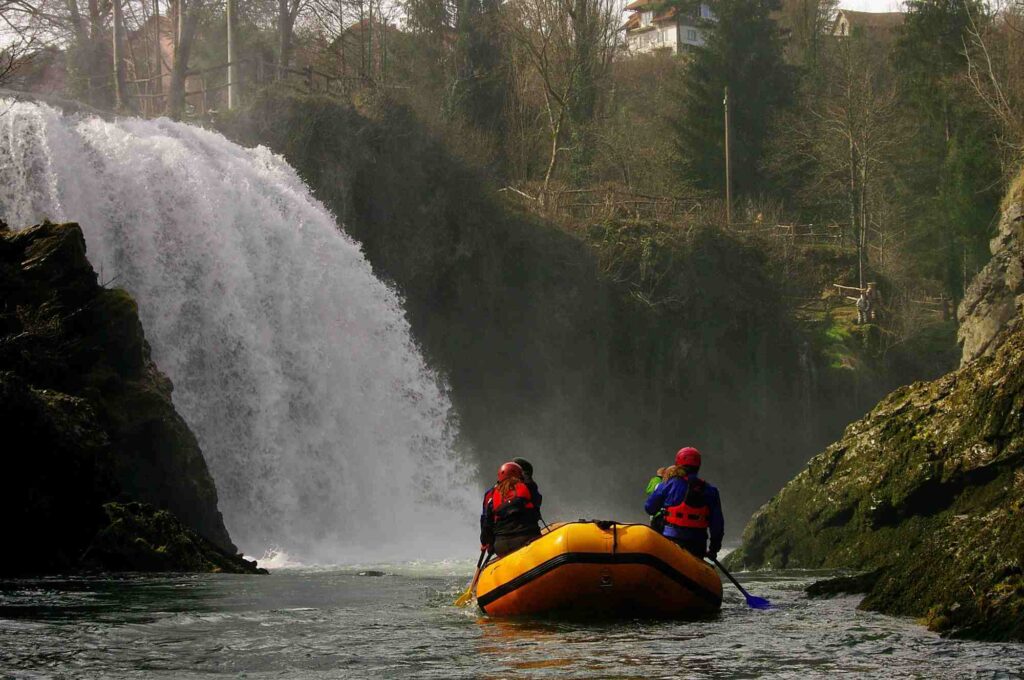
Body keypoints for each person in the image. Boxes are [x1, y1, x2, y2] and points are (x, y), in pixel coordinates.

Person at [644, 447, 724, 560]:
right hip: (697, 545)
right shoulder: (710, 490)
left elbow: (649, 508)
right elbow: (717, 525)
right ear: (698, 466)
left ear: (678, 464)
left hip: (670, 542)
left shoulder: (668, 484)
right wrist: (713, 549)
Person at [480, 462, 542, 558]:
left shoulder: (491, 495)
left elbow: (486, 523)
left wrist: (486, 543)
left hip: (501, 545)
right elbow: (537, 502)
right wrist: (529, 479)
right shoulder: (526, 487)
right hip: (526, 538)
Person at [645, 466, 675, 533]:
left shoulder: (656, 482)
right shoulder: (663, 483)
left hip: (657, 514)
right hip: (665, 517)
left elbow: (649, 492)